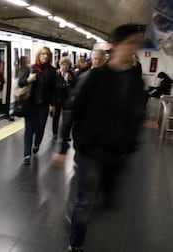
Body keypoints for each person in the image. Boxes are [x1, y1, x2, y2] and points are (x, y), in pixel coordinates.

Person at [63, 24, 146, 252]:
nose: (135, 48)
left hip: (117, 152)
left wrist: (131, 140)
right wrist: (65, 146)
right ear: (116, 46)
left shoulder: (135, 79)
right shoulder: (95, 76)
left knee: (108, 202)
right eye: (131, 43)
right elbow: (74, 110)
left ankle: (77, 215)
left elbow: (137, 112)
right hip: (91, 150)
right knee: (87, 201)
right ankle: (76, 243)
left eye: (137, 43)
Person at [53, 49, 107, 165]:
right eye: (95, 59)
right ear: (91, 59)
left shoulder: (111, 79)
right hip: (83, 128)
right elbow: (71, 106)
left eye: (100, 59)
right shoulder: (83, 76)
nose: (97, 62)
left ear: (105, 60)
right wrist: (63, 145)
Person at [18, 46, 56, 165]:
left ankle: (37, 144)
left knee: (40, 129)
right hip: (30, 105)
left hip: (43, 105)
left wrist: (53, 104)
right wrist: (29, 80)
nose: (45, 56)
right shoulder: (31, 68)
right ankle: (27, 154)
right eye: (43, 54)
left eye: (47, 54)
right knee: (29, 129)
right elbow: (21, 82)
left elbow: (54, 89)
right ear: (39, 55)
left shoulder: (52, 71)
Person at [52, 56, 74, 140]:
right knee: (56, 117)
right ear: (60, 65)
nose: (65, 66)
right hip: (58, 99)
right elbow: (54, 87)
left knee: (67, 119)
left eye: (67, 64)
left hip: (67, 100)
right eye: (63, 64)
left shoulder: (72, 74)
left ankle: (66, 135)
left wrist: (70, 81)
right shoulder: (56, 74)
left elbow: (74, 86)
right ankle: (55, 133)